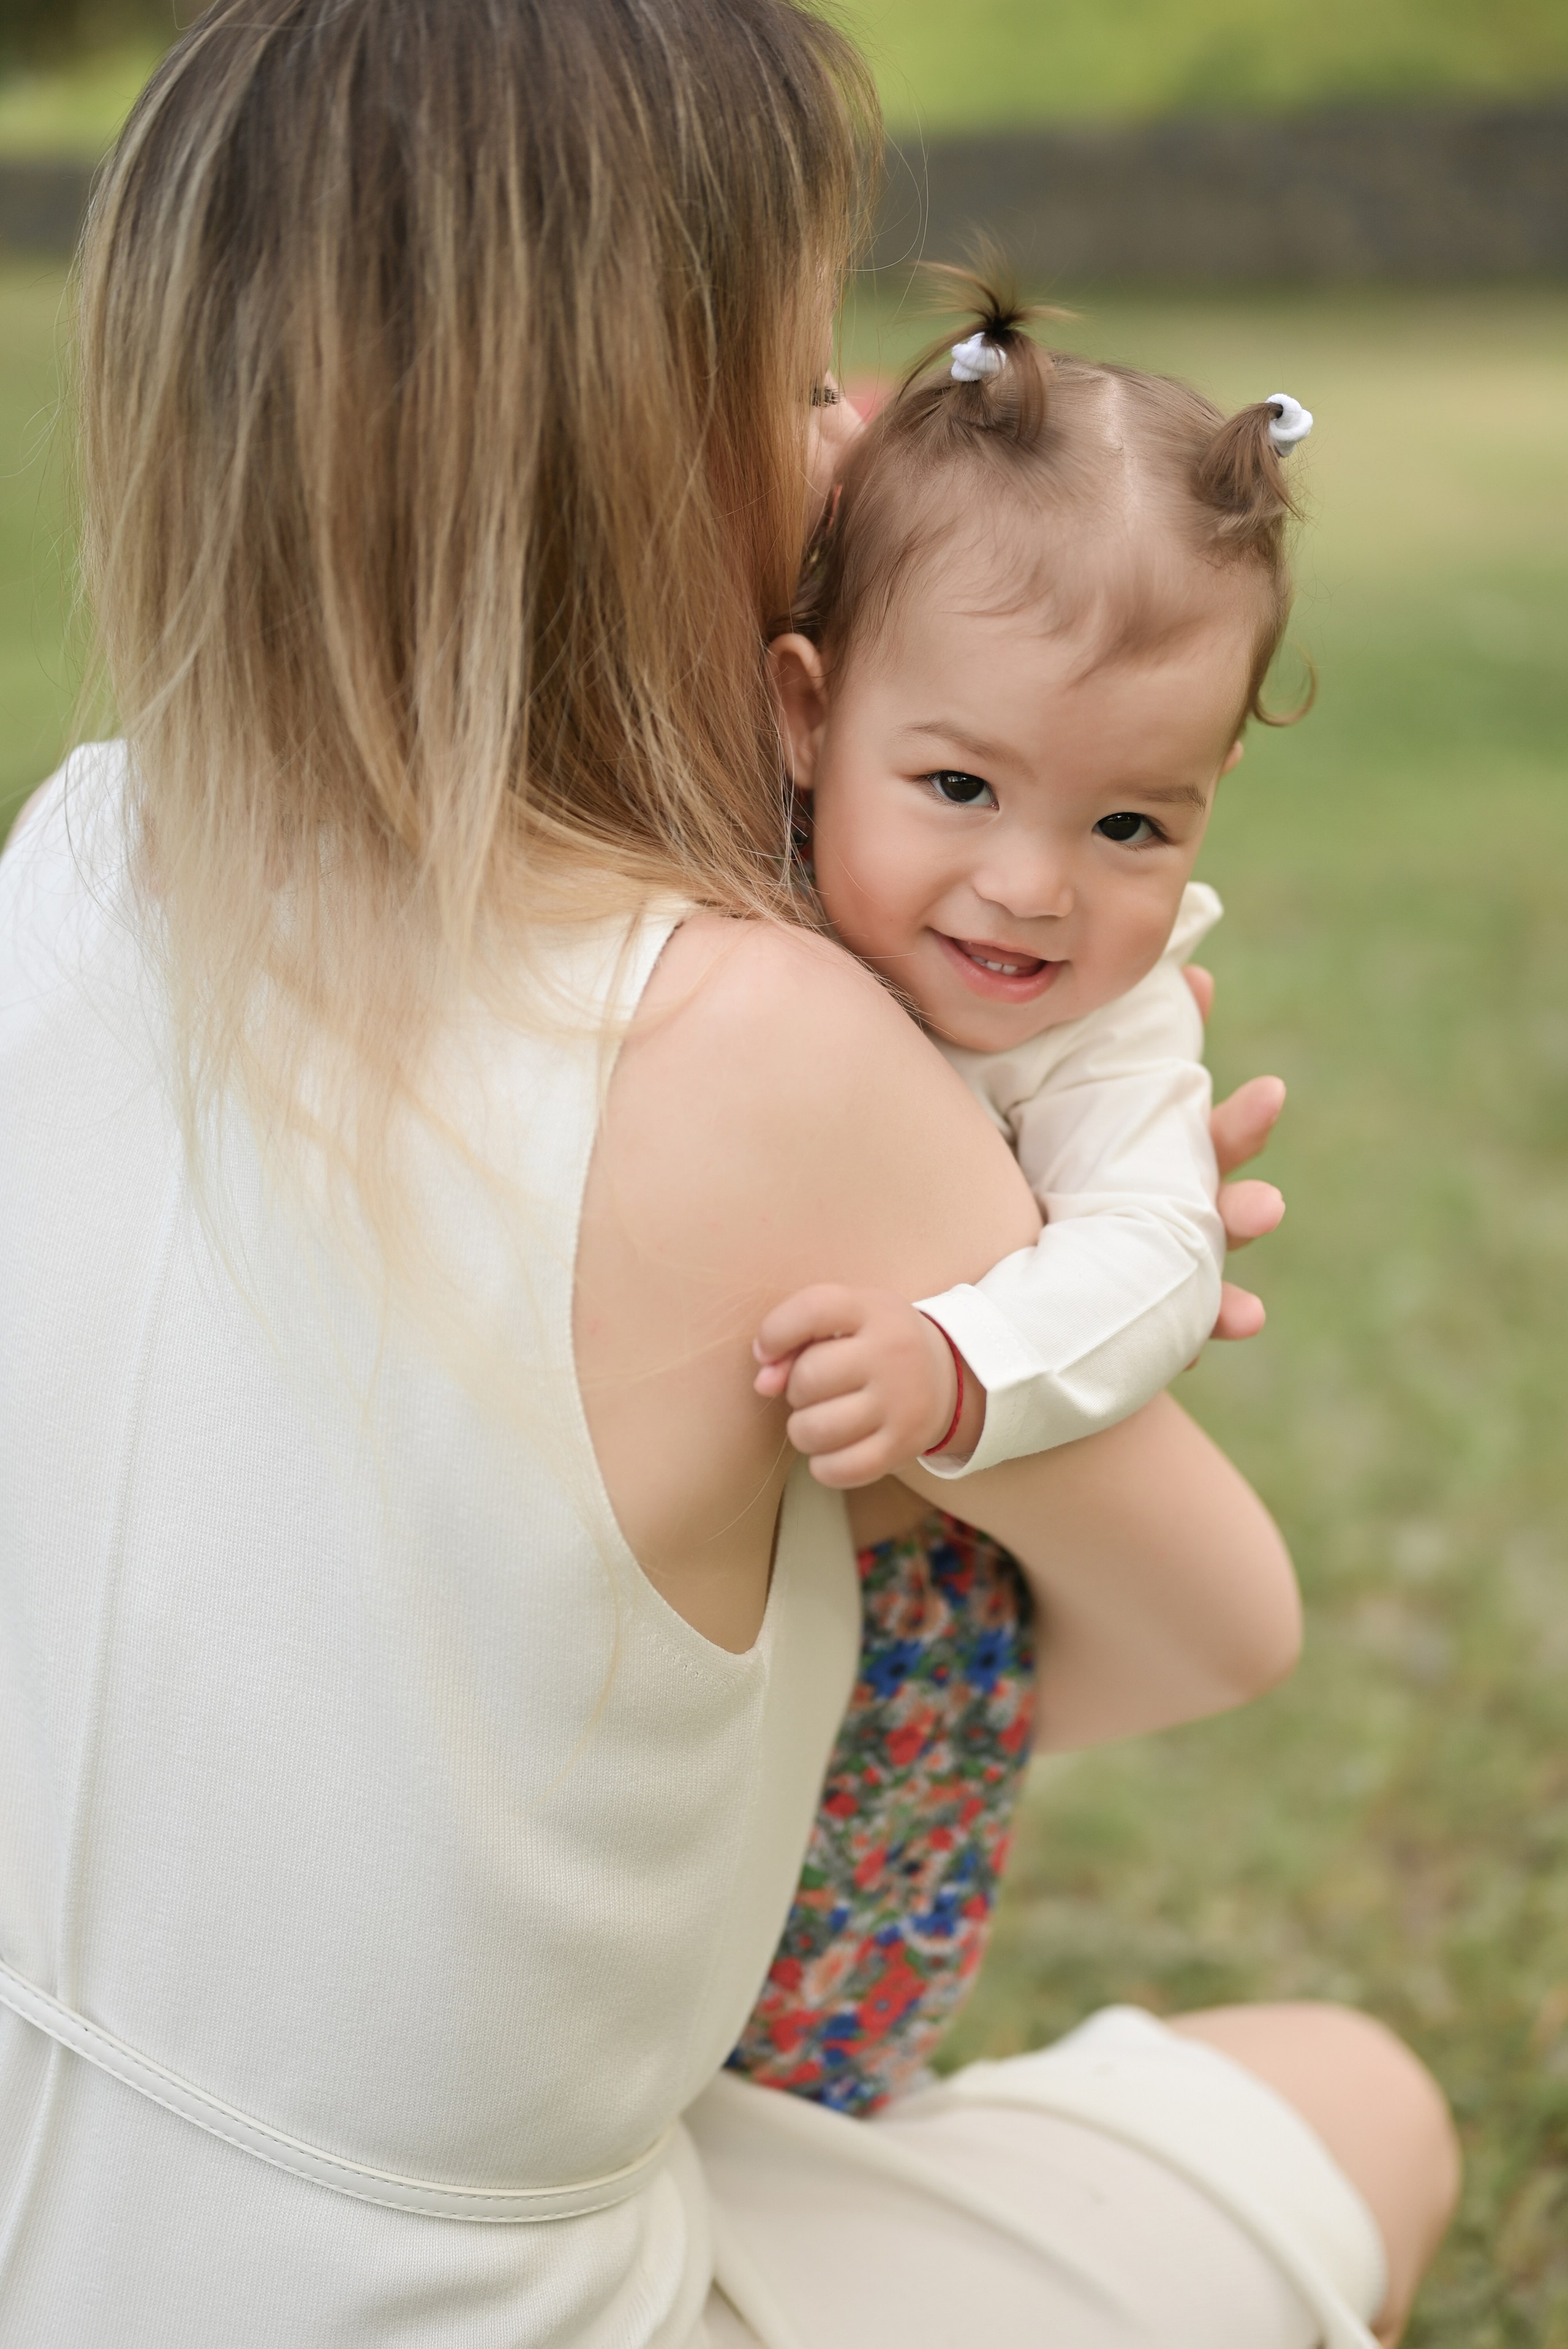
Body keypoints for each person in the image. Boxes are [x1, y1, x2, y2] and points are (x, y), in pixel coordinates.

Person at [0, 5, 1456, 2348]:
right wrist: (981, 1383)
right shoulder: (755, 1043)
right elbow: (1218, 1631)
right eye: (794, 382)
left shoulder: (74, 858)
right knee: (1357, 2099)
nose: (861, 430)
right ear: (611, 458)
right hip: (443, 2301)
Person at [725, 281, 1313, 2119]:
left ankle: (809, 2133)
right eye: (962, 784)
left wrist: (959, 1362)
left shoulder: (1115, 1032)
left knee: (799, 2010)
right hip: (685, 1589)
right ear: (806, 712)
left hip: (900, 1651)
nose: (1036, 887)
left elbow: (1156, 1254)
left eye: (1134, 822)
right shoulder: (737, 871)